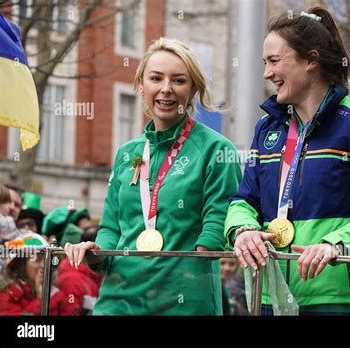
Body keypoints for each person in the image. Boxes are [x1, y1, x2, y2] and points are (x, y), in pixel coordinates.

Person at [224, 7, 350, 315]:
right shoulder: (268, 127)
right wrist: (243, 229)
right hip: (268, 295)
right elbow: (243, 200)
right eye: (264, 63)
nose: (266, 73)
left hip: (337, 300)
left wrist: (338, 243)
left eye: (275, 61)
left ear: (311, 60)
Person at [64, 37, 242, 315]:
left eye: (179, 80)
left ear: (193, 88)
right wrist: (95, 253)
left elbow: (215, 228)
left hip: (183, 303)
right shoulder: (127, 153)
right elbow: (112, 228)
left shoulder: (217, 149)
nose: (166, 89)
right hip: (118, 303)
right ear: (141, 85)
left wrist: (184, 278)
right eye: (156, 78)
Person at [0, 232, 77, 315]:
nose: (44, 265)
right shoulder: (6, 293)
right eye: (37, 260)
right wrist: (41, 300)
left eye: (47, 260)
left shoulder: (57, 287)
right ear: (20, 264)